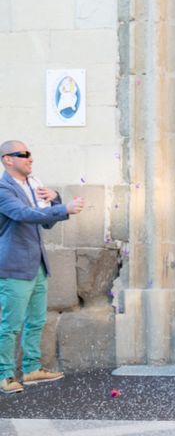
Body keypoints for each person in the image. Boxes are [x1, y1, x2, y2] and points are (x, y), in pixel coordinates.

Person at [0, 140, 85, 394]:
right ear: (7, 159)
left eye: (30, 154)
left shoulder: (32, 186)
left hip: (37, 264)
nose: (30, 158)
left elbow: (45, 223)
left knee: (36, 320)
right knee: (10, 324)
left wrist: (54, 199)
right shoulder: (4, 189)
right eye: (22, 154)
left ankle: (31, 368)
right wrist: (64, 207)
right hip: (14, 266)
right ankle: (5, 375)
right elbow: (25, 215)